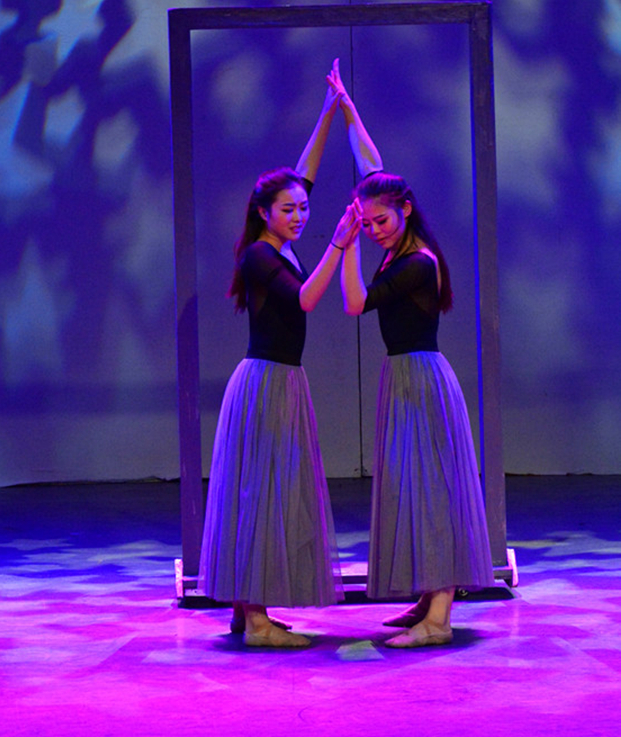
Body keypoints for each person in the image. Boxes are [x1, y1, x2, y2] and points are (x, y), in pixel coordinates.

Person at [330, 60, 495, 649]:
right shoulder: (400, 242)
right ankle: (428, 599)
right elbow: (371, 166)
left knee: (431, 489)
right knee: (413, 485)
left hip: (420, 380)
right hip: (405, 376)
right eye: (367, 221)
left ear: (404, 208)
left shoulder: (417, 263)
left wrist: (346, 243)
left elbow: (353, 303)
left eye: (380, 220)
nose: (374, 227)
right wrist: (348, 109)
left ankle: (439, 619)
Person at [197, 66, 360, 648]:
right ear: (264, 212)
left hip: (281, 380)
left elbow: (302, 174)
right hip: (266, 383)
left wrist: (329, 111)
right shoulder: (261, 257)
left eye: (302, 208)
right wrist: (339, 243)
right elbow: (308, 299)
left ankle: (249, 610)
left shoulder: (278, 242)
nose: (299, 215)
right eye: (288, 209)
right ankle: (258, 620)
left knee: (265, 491)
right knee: (260, 493)